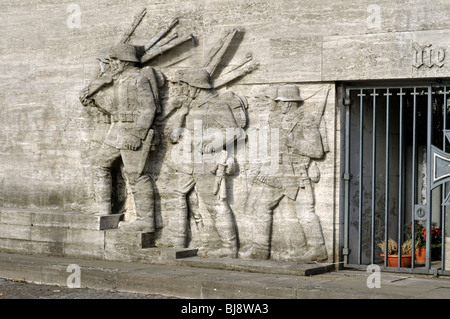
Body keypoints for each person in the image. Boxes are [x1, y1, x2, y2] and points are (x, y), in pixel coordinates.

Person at [79, 43, 164, 233]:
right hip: (118, 128)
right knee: (100, 162)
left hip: (132, 130)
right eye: (110, 61)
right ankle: (103, 209)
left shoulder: (138, 79)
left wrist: (137, 134)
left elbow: (148, 108)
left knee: (136, 175)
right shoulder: (120, 80)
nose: (112, 64)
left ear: (125, 61)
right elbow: (117, 107)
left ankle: (146, 221)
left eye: (115, 60)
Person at [239, 84, 328, 262]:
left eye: (280, 102)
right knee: (261, 207)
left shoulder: (306, 120)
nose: (278, 105)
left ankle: (318, 249)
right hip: (277, 173)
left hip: (297, 173)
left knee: (305, 213)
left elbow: (317, 151)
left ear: (288, 103)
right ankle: (260, 251)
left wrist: (294, 143)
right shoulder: (276, 119)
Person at [164, 67, 243, 258]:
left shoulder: (216, 105)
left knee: (214, 204)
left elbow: (235, 131)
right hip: (187, 160)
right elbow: (172, 134)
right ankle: (178, 241)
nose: (182, 89)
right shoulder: (190, 105)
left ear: (195, 87)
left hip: (207, 162)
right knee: (176, 194)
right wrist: (181, 113)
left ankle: (229, 247)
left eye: (184, 86)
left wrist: (214, 143)